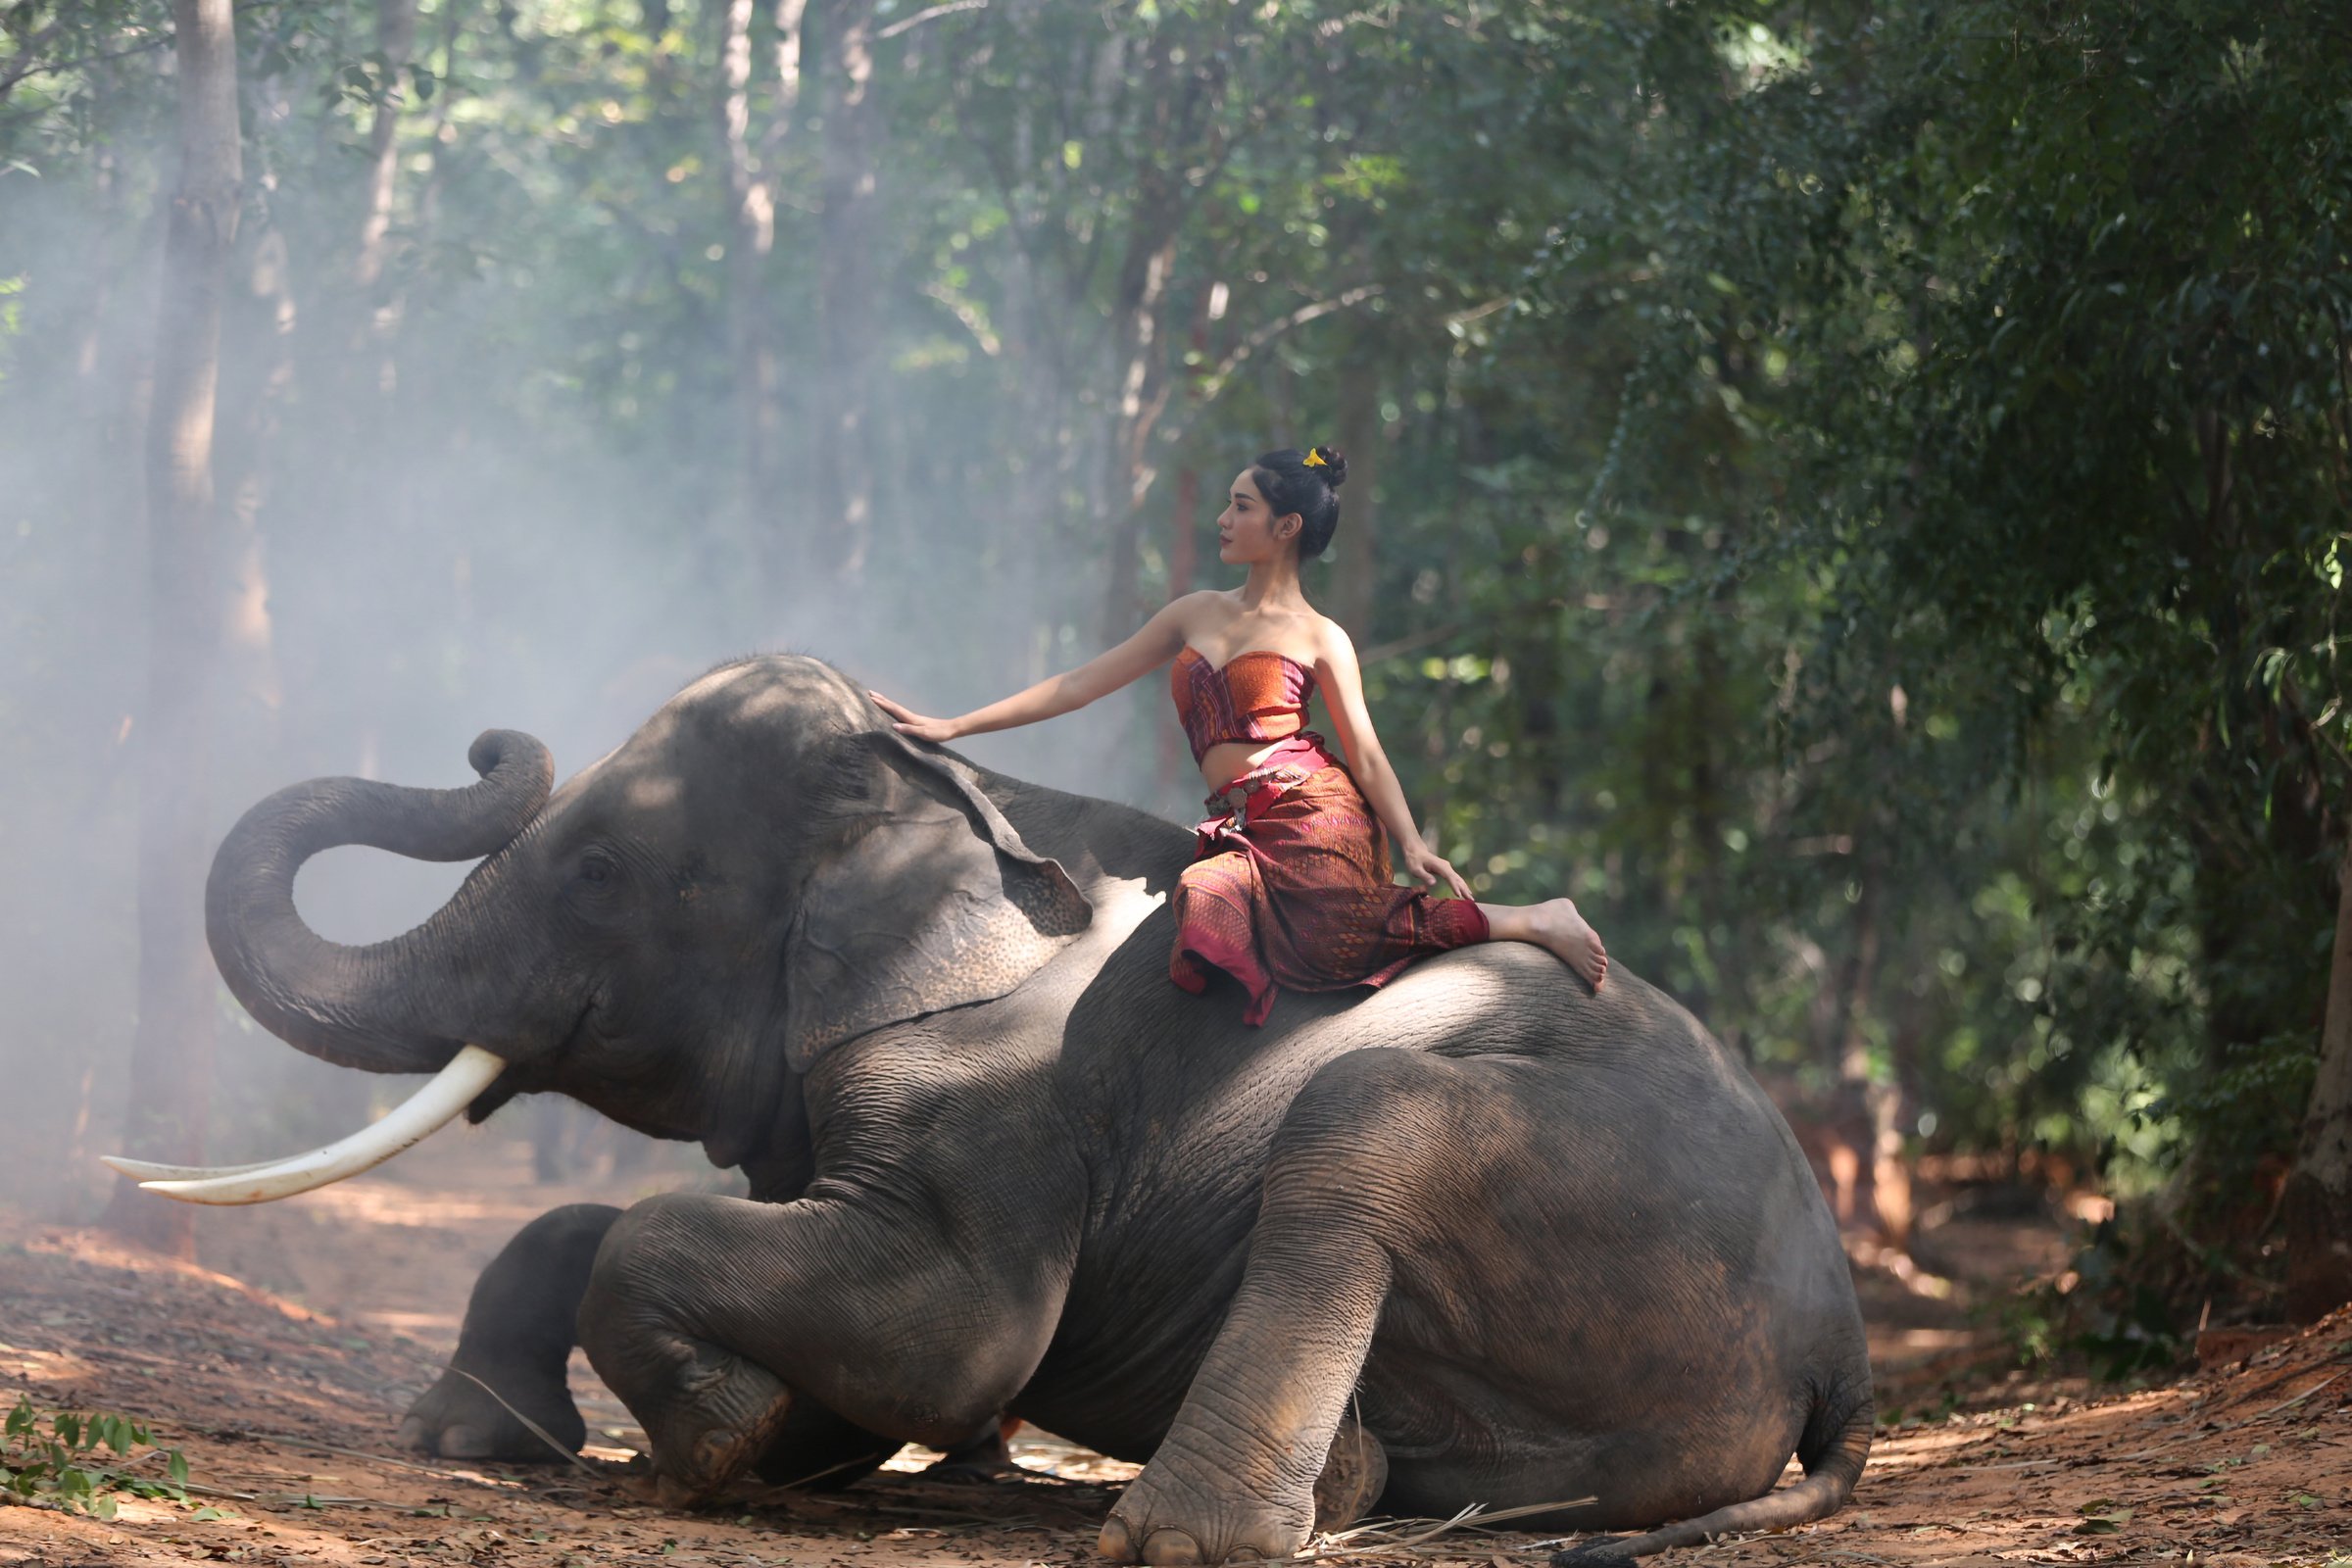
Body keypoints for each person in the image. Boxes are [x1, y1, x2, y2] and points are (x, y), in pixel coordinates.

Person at [870, 445, 1607, 1026]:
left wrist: (1411, 842)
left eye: (1241, 506)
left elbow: (1368, 753)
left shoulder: (1323, 636)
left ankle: (1531, 919)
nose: (1223, 518)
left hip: (1316, 810)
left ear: (1285, 527)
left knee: (1330, 936)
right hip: (1244, 822)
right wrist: (954, 724)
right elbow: (1080, 683)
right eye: (1226, 503)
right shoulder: (1194, 611)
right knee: (1205, 900)